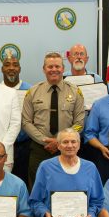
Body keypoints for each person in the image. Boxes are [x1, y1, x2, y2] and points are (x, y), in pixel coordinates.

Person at [21, 52, 85, 187]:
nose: (54, 70)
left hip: (68, 149)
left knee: (66, 186)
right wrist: (44, 141)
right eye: (50, 67)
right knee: (37, 187)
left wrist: (60, 142)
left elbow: (79, 123)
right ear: (44, 69)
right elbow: (26, 122)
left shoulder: (75, 92)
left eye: (57, 66)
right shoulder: (33, 92)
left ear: (63, 69)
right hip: (39, 149)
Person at [1, 54, 33, 184]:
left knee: (24, 180)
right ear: (2, 69)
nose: (11, 68)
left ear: (20, 69)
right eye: (7, 65)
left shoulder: (30, 90)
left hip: (25, 144)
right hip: (3, 143)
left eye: (15, 65)